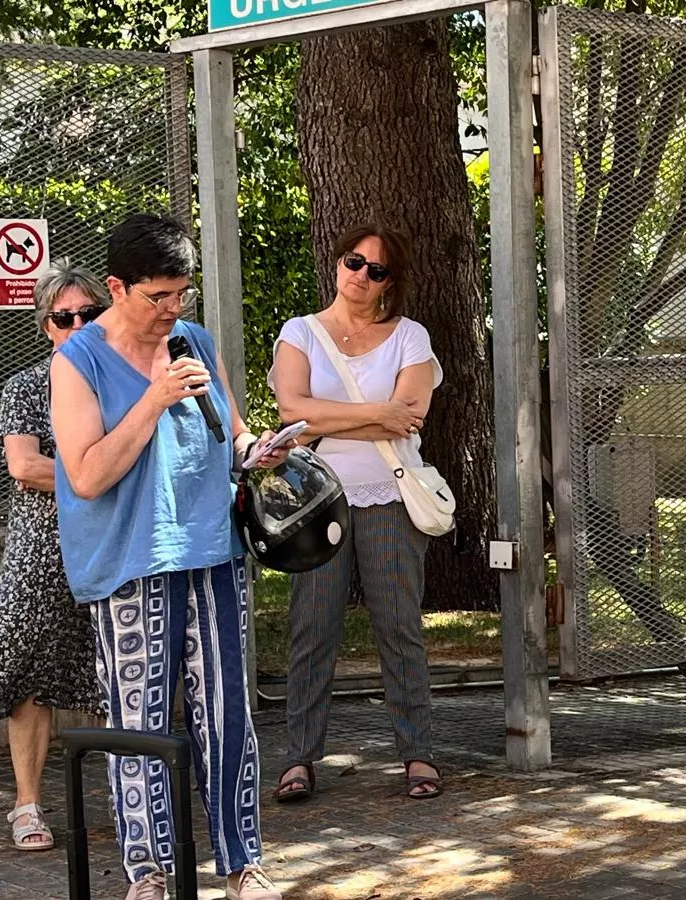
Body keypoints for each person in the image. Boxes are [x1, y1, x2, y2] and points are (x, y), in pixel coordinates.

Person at [50, 214, 286, 900]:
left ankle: (243, 861)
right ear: (117, 288)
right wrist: (152, 400)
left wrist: (260, 451)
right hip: (130, 564)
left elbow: (231, 436)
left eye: (182, 293)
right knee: (139, 723)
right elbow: (87, 474)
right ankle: (147, 873)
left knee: (226, 715)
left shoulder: (195, 341)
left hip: (212, 551)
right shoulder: (78, 363)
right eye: (158, 296)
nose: (172, 309)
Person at [268, 224, 444, 804]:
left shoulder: (409, 337)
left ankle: (417, 753)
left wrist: (328, 416)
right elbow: (292, 411)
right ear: (338, 262)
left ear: (392, 282)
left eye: (377, 270)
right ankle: (299, 758)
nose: (361, 275)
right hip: (318, 504)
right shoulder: (300, 333)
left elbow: (410, 418)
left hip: (390, 499)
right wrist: (376, 414)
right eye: (354, 261)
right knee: (312, 629)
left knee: (399, 626)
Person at [0, 262, 108, 852]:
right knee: (26, 674)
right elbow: (23, 466)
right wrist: (102, 471)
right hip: (40, 550)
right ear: (46, 326)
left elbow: (47, 470)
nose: (76, 326)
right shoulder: (25, 386)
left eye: (88, 315)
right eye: (62, 318)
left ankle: (131, 798)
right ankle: (26, 805)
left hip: (111, 545)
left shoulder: (125, 381)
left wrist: (65, 472)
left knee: (115, 671)